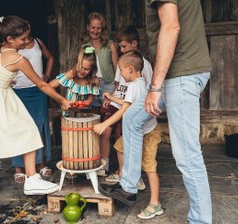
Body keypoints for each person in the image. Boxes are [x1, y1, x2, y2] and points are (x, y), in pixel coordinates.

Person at [101, 1, 213, 223]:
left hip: (181, 76)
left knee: (187, 155)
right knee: (132, 117)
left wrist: (155, 87)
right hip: (174, 75)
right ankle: (128, 185)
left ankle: (201, 220)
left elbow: (171, 27)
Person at [0, 15, 71, 219]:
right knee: (29, 130)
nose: (27, 41)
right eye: (23, 39)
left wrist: (4, 81)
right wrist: (62, 101)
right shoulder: (18, 58)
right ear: (10, 39)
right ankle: (32, 179)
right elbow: (41, 85)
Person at [97, 25, 153, 179]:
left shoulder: (144, 65)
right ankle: (104, 165)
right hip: (119, 101)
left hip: (132, 104)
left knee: (124, 136)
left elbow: (148, 88)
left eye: (123, 46)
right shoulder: (122, 62)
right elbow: (117, 84)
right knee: (106, 131)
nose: (121, 50)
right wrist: (111, 97)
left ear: (134, 44)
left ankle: (131, 173)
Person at [10, 30, 55, 184]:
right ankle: (18, 167)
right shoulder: (11, 45)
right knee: (19, 128)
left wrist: (47, 75)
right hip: (18, 91)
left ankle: (41, 163)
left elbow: (50, 58)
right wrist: (6, 79)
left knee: (40, 125)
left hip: (38, 89)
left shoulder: (37, 41)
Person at [48, 45, 100, 117]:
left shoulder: (93, 81)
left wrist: (79, 104)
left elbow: (89, 101)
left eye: (86, 69)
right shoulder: (70, 76)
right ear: (76, 63)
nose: (82, 71)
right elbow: (49, 86)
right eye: (80, 67)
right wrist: (61, 101)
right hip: (68, 116)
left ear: (92, 69)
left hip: (83, 116)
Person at [83, 12, 119, 113]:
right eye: (93, 27)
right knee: (94, 114)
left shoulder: (109, 45)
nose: (95, 31)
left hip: (108, 84)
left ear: (102, 29)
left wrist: (116, 86)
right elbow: (81, 69)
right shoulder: (85, 47)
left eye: (98, 28)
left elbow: (117, 67)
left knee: (108, 112)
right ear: (88, 27)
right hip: (91, 84)